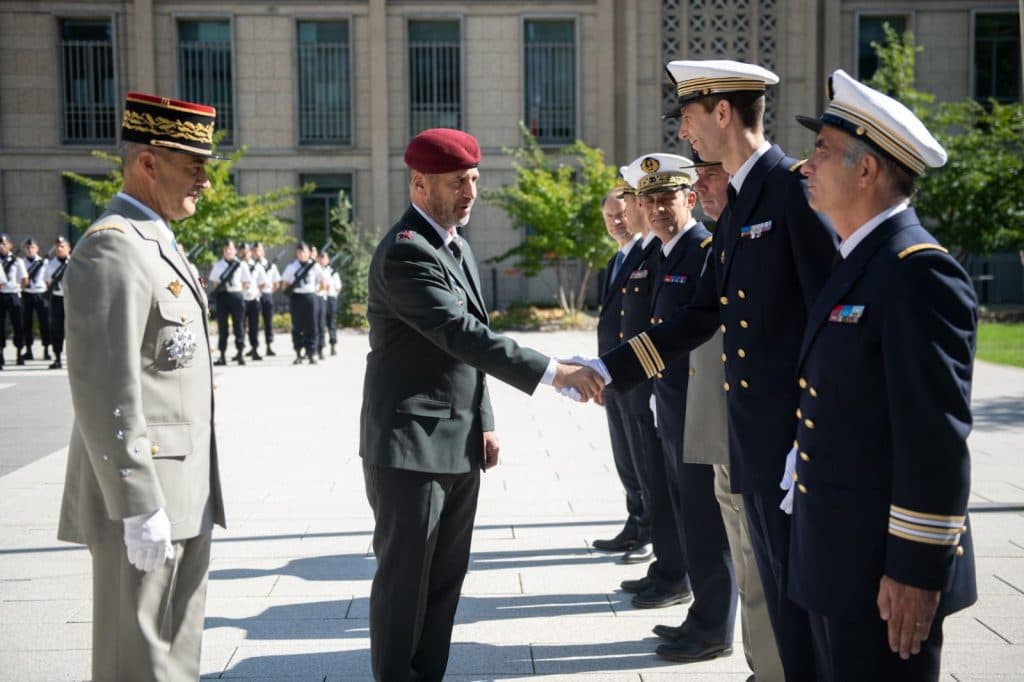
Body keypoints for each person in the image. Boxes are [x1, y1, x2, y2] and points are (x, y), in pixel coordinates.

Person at [583, 60, 838, 681]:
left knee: (800, 604)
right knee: (774, 589)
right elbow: (698, 317)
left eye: (689, 119)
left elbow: (830, 328)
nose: (685, 134)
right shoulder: (744, 203)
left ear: (723, 113)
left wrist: (812, 439)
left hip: (787, 448)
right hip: (751, 439)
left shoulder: (794, 192)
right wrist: (604, 369)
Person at [359, 127, 603, 682]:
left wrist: (485, 420)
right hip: (410, 446)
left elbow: (467, 346)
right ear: (419, 184)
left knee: (445, 580)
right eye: (455, 183)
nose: (469, 193)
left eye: (473, 180)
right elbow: (462, 334)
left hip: (459, 439)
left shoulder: (455, 245)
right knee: (405, 582)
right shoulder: (406, 254)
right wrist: (552, 371)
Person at [784, 68, 977, 681]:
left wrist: (918, 570)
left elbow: (934, 440)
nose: (805, 167)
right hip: (839, 561)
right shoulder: (859, 260)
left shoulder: (916, 273)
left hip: (885, 576)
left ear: (866, 171)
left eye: (821, 153)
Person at [57, 91, 226, 681]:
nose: (205, 181)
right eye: (193, 165)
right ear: (147, 163)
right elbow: (105, 385)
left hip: (184, 487)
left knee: (176, 656)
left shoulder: (153, 238)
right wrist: (135, 504)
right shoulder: (114, 245)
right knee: (137, 661)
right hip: (145, 491)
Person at [674, 156, 784, 681]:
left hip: (759, 437)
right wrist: (611, 369)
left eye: (710, 174)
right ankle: (761, 665)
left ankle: (770, 668)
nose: (701, 185)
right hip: (722, 430)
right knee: (745, 559)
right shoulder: (726, 238)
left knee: (758, 562)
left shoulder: (761, 226)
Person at [631, 153, 737, 661]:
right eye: (648, 199)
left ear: (689, 199)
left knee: (705, 520)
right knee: (686, 514)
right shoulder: (668, 253)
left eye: (666, 198)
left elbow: (693, 334)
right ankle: (702, 615)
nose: (655, 208)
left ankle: (714, 626)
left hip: (698, 409)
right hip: (670, 405)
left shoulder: (702, 250)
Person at [591, 184, 651, 561]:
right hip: (614, 376)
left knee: (644, 460)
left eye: (621, 213)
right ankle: (635, 521)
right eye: (609, 216)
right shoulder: (616, 261)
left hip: (638, 377)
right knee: (624, 457)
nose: (616, 221)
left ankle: (649, 531)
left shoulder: (647, 254)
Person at [208, 239, 251, 366]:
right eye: (226, 249)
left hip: (236, 295)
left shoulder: (241, 264)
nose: (228, 251)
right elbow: (215, 282)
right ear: (223, 251)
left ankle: (240, 354)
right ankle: (222, 355)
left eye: (230, 249)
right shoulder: (218, 265)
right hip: (222, 296)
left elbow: (246, 282)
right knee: (222, 327)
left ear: (235, 251)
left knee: (239, 325)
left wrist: (237, 292)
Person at [281, 241, 323, 364]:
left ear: (309, 253)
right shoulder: (291, 267)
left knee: (312, 325)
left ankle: (311, 353)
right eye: (299, 252)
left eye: (304, 252)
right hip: (297, 297)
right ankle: (298, 352)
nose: (301, 254)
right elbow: (285, 284)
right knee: (297, 326)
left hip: (310, 297)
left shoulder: (315, 266)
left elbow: (323, 282)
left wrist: (315, 291)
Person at [20, 237, 51, 361]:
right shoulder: (21, 262)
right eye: (27, 248)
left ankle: (46, 350)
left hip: (40, 293)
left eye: (32, 247)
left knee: (45, 323)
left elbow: (48, 279)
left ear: (37, 248)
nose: (30, 250)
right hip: (27, 294)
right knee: (27, 323)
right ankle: (28, 350)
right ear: (24, 250)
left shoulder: (44, 262)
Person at [44, 236, 71, 369]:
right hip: (57, 299)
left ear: (68, 248)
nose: (59, 249)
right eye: (57, 247)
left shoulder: (74, 262)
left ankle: (74, 358)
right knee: (56, 329)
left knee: (74, 329)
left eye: (62, 246)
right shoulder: (50, 264)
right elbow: (48, 282)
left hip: (71, 300)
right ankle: (57, 357)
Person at [0, 233, 28, 367]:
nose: (1, 246)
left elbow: (24, 279)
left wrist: (18, 289)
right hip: (0, 295)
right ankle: (1, 354)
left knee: (18, 324)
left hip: (13, 294)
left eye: (4, 244)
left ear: (10, 245)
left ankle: (19, 352)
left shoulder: (18, 261)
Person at [239, 242, 266, 361]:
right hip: (241, 299)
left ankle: (254, 349)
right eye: (243, 251)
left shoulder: (257, 266)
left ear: (251, 252)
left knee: (254, 326)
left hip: (254, 299)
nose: (245, 254)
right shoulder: (237, 265)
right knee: (240, 326)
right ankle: (240, 351)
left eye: (247, 251)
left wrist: (256, 293)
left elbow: (262, 283)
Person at [253, 242, 279, 356]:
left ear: (263, 251)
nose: (257, 253)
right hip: (253, 296)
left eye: (259, 250)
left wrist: (268, 292)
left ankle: (269, 345)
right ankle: (254, 347)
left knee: (268, 321)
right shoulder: (249, 265)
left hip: (266, 295)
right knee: (254, 322)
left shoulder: (271, 265)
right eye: (254, 250)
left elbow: (276, 283)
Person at [319, 249, 341, 356]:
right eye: (320, 258)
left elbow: (338, 287)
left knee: (331, 323)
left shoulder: (332, 272)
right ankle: (321, 347)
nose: (322, 260)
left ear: (328, 260)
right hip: (320, 299)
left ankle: (333, 345)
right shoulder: (316, 271)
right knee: (320, 324)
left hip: (330, 299)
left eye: (324, 258)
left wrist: (333, 296)